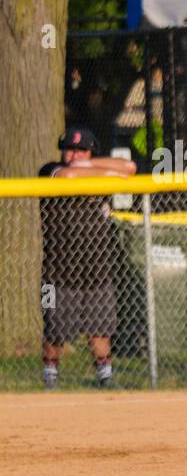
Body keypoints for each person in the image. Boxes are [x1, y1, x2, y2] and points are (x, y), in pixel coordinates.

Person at [38, 127, 137, 389]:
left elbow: (129, 167)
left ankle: (105, 377)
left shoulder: (93, 170)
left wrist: (89, 164)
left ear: (92, 152)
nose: (74, 154)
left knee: (101, 328)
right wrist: (91, 168)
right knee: (55, 329)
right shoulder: (49, 170)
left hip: (96, 272)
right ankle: (51, 378)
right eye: (70, 148)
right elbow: (69, 176)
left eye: (82, 149)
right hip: (56, 274)